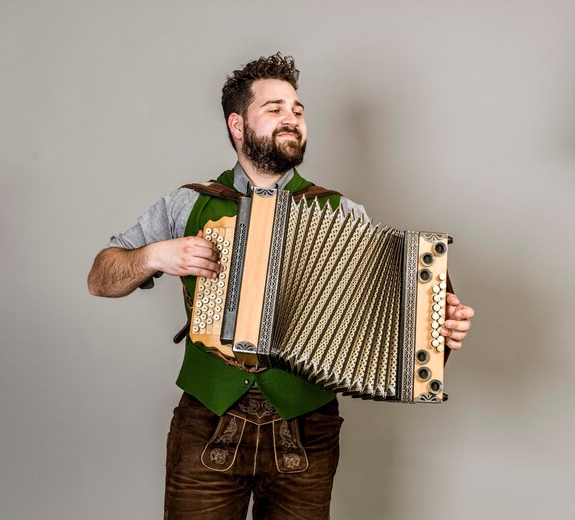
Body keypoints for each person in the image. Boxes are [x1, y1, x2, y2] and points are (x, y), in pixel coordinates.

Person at [87, 53, 475, 520]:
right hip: (207, 420)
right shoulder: (187, 204)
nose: (292, 118)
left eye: (297, 109)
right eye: (274, 108)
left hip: (307, 430)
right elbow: (100, 278)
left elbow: (386, 316)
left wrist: (436, 330)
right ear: (237, 124)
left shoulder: (341, 212)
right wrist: (156, 255)